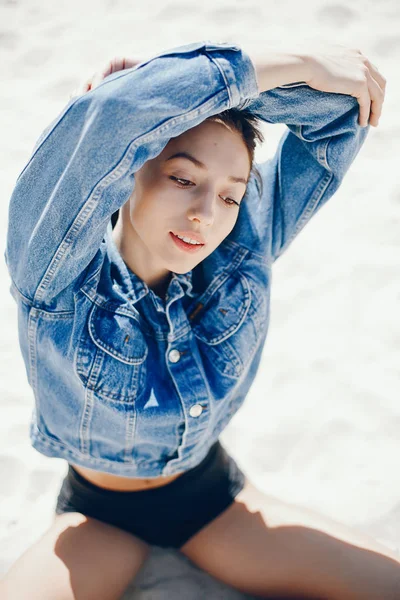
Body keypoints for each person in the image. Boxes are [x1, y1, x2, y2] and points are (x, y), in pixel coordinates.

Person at [2, 41, 398, 600]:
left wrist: (210, 88)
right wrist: (295, 64)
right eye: (183, 179)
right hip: (99, 519)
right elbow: (111, 120)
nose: (205, 215)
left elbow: (340, 110)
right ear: (130, 169)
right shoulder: (56, 277)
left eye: (231, 195)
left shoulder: (244, 247)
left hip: (214, 501)